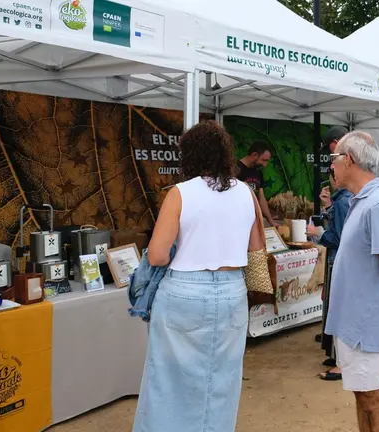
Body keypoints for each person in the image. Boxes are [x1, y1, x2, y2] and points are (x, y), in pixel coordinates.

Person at [134, 121, 258, 432]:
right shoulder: (246, 193)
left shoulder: (180, 193)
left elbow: (157, 255)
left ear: (188, 155)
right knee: (222, 382)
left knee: (168, 382)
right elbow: (257, 248)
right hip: (233, 292)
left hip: (184, 291)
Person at [324, 131, 379, 431]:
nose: (332, 165)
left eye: (334, 158)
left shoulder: (376, 205)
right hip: (354, 323)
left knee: (373, 399)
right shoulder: (362, 201)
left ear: (348, 159)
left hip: (364, 323)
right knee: (363, 397)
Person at [307, 168, 353, 381]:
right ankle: (337, 357)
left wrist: (319, 233)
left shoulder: (343, 201)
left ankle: (342, 363)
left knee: (337, 311)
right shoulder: (344, 199)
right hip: (338, 260)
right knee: (334, 310)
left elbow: (340, 237)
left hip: (337, 260)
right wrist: (327, 205)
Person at [238, 141, 278, 228]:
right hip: (237, 221)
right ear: (254, 155)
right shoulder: (235, 170)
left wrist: (271, 222)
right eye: (264, 160)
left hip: (252, 221)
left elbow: (261, 199)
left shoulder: (258, 173)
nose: (265, 165)